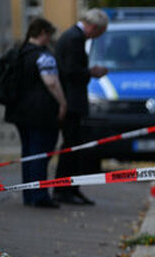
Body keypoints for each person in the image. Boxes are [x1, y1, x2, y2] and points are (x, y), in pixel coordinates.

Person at [3, 17, 67, 208]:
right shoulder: (44, 56)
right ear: (42, 33)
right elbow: (51, 82)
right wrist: (63, 103)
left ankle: (29, 194)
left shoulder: (18, 52)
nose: (50, 39)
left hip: (19, 111)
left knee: (28, 153)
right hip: (41, 112)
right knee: (41, 152)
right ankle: (40, 195)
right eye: (49, 35)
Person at [53, 9, 109, 205]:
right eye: (100, 33)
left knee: (73, 146)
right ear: (94, 27)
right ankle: (65, 189)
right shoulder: (75, 39)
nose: (99, 37)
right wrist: (91, 72)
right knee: (72, 147)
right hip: (72, 102)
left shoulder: (72, 36)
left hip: (72, 100)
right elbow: (70, 72)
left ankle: (70, 188)